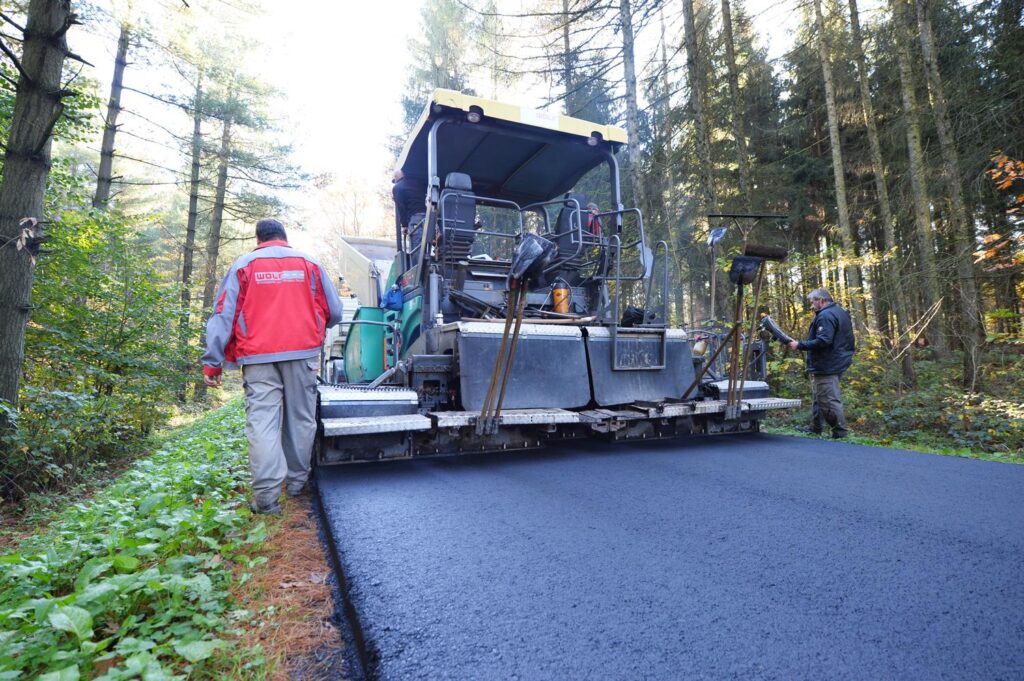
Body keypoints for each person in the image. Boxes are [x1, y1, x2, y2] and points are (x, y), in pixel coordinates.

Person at [202, 218, 343, 514]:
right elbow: (335, 311)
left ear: (258, 240)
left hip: (257, 356)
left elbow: (222, 315)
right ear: (284, 237)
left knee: (262, 421)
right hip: (303, 353)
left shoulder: (243, 266)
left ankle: (266, 499)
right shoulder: (310, 264)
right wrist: (313, 327)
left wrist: (213, 362)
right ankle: (296, 483)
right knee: (301, 418)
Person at [787, 288, 855, 439]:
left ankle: (840, 432)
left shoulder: (825, 316)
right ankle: (815, 427)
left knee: (828, 399)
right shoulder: (839, 311)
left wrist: (800, 345)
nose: (811, 305)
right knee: (820, 395)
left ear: (821, 300)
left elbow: (824, 340)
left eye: (813, 302)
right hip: (838, 360)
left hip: (828, 363)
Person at [392, 169, 427, 252]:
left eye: (394, 180)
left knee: (416, 247)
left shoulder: (397, 187)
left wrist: (404, 225)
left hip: (415, 218)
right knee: (427, 242)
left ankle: (419, 264)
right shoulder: (415, 183)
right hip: (427, 216)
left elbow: (401, 207)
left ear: (396, 177)